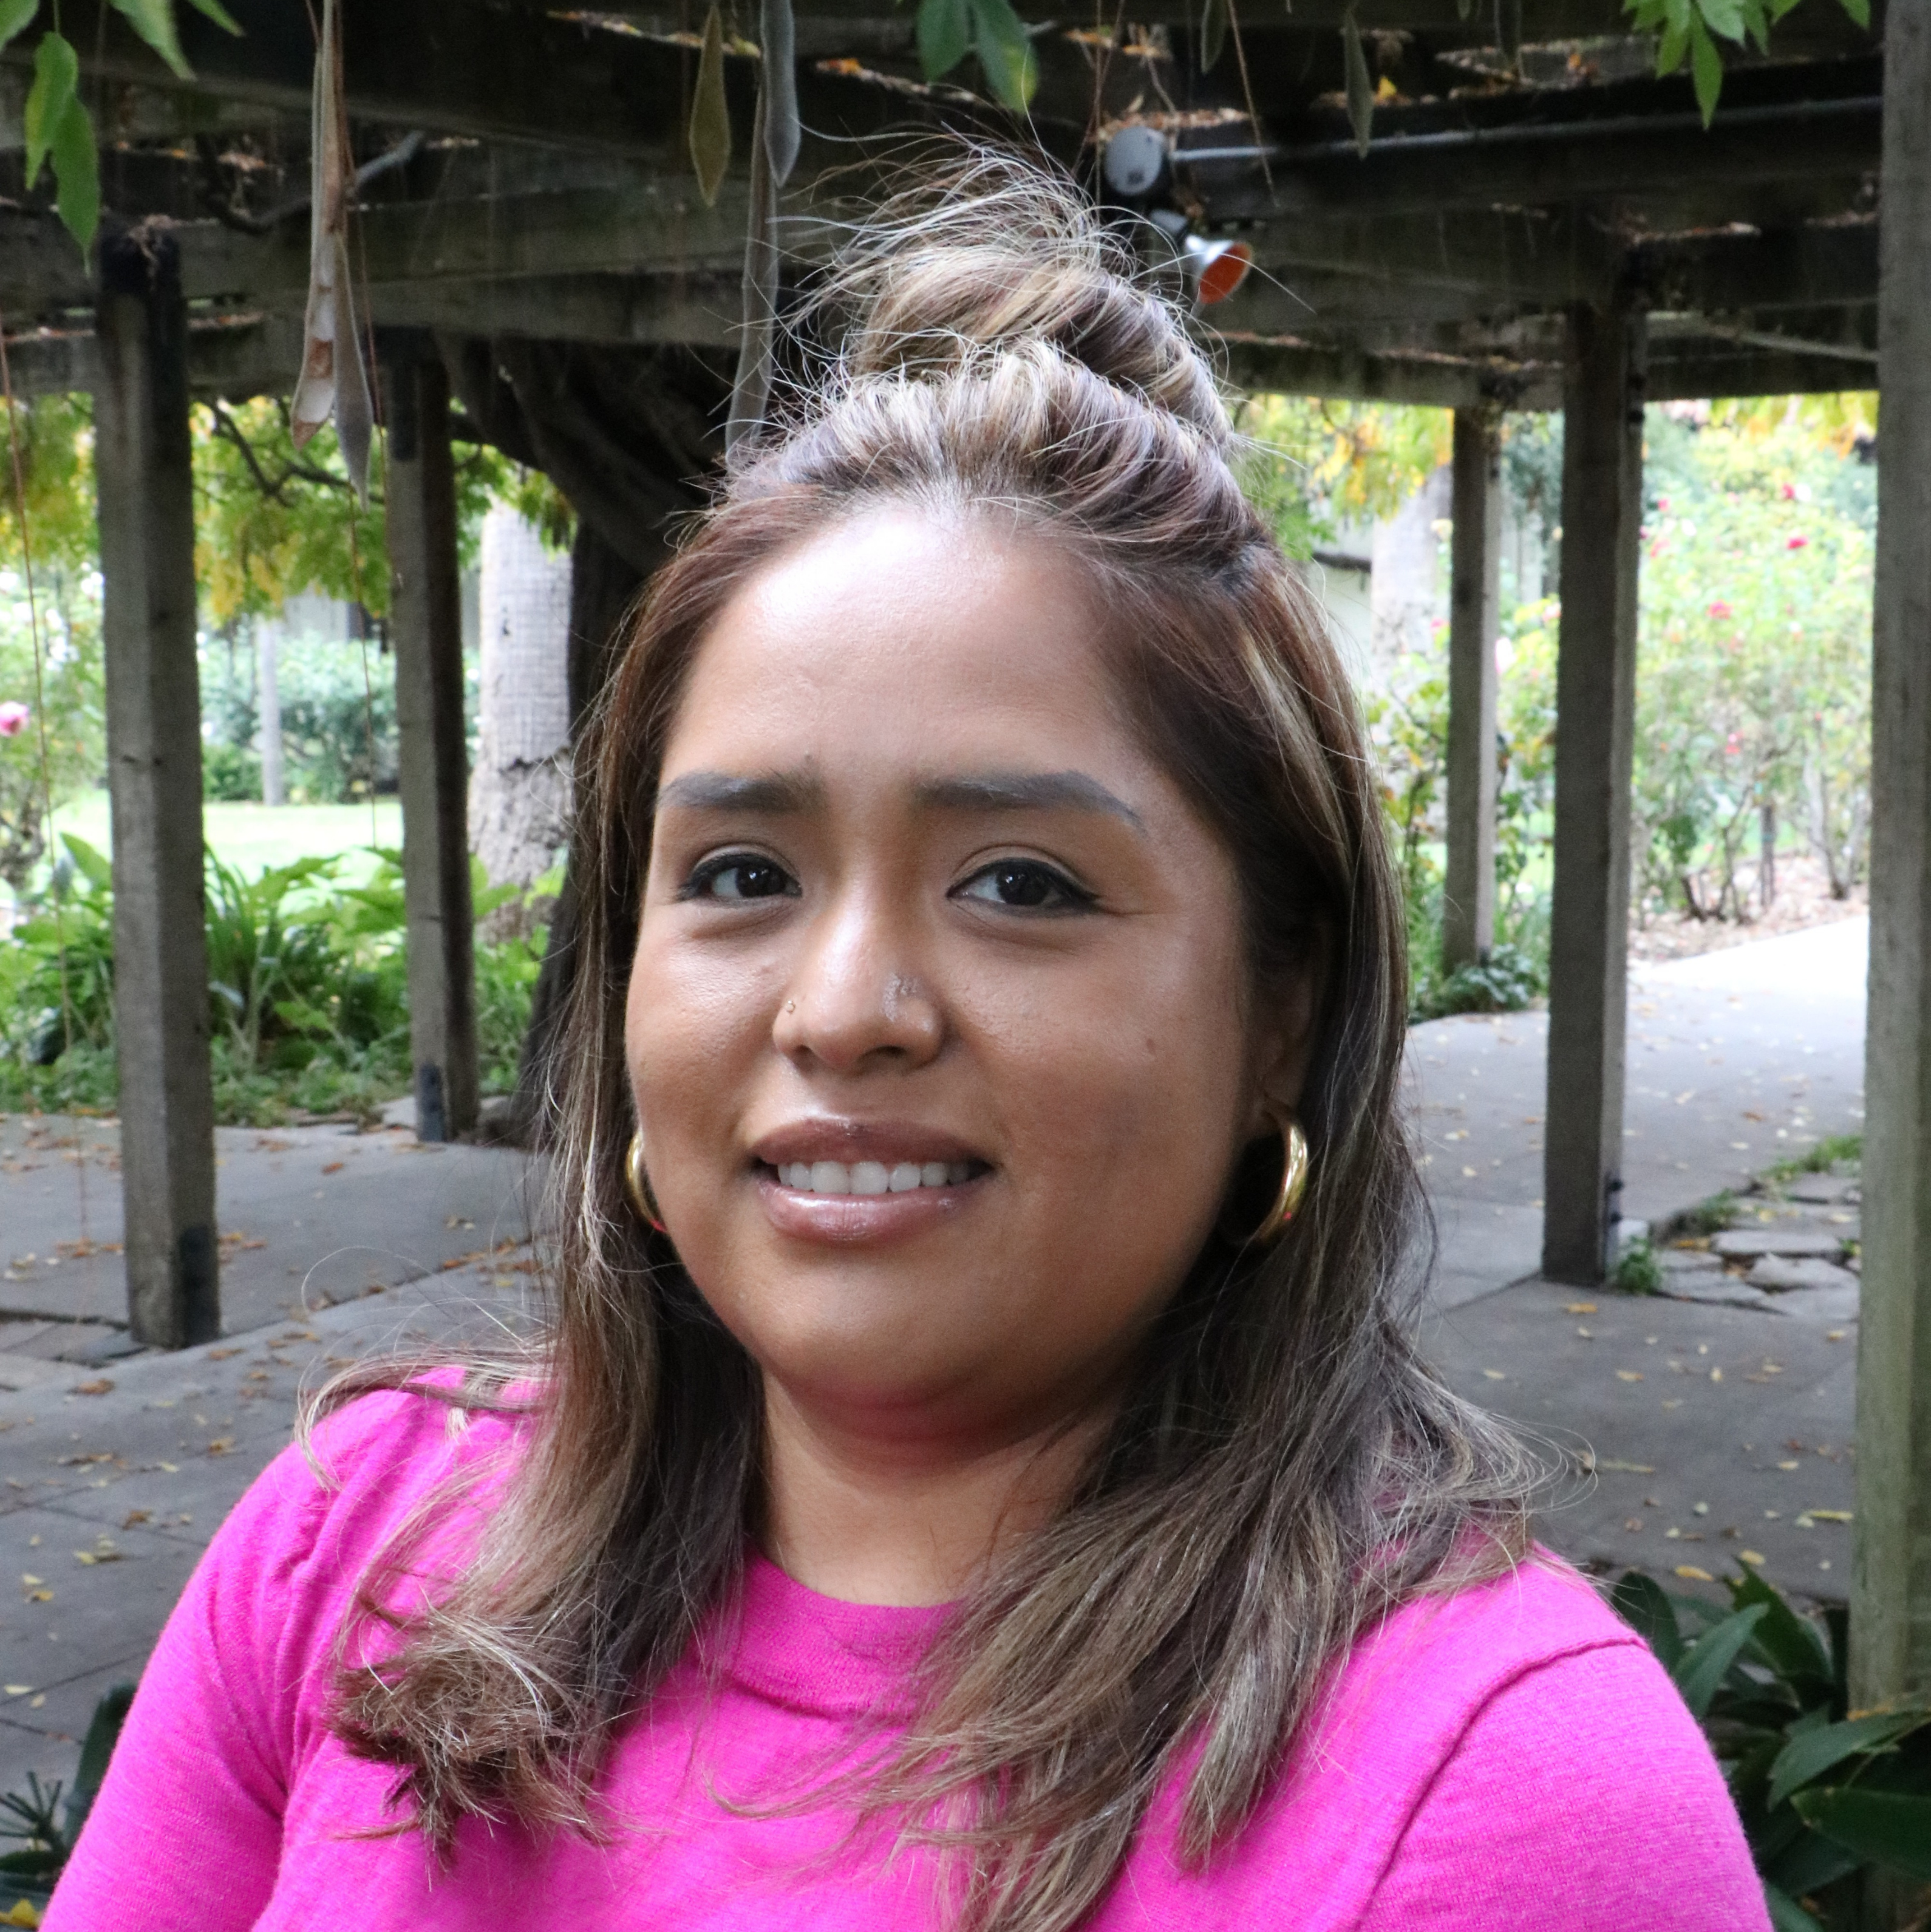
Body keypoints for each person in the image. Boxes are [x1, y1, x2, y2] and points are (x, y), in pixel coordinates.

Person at [47, 159, 1768, 1931]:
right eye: (740, 874)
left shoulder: (1498, 1792)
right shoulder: (356, 1551)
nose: (842, 1006)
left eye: (1018, 881)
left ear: (1282, 1010)